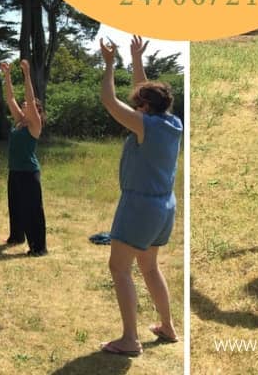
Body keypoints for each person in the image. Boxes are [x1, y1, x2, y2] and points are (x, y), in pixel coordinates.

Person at [99, 35, 182, 356]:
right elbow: (143, 92)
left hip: (139, 207)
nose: (134, 107)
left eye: (138, 104)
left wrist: (109, 65)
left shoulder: (145, 125)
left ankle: (130, 340)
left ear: (145, 108)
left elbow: (109, 100)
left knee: (120, 269)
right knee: (150, 268)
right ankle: (168, 326)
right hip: (165, 206)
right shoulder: (171, 122)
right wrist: (135, 60)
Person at [0, 57, 47, 255]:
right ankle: (17, 236)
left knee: (32, 210)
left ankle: (38, 247)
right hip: (15, 170)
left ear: (36, 110)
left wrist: (27, 74)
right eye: (24, 103)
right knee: (16, 206)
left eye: (27, 103)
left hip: (29, 172)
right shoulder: (20, 121)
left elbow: (30, 93)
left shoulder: (35, 124)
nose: (23, 103)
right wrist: (7, 75)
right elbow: (10, 99)